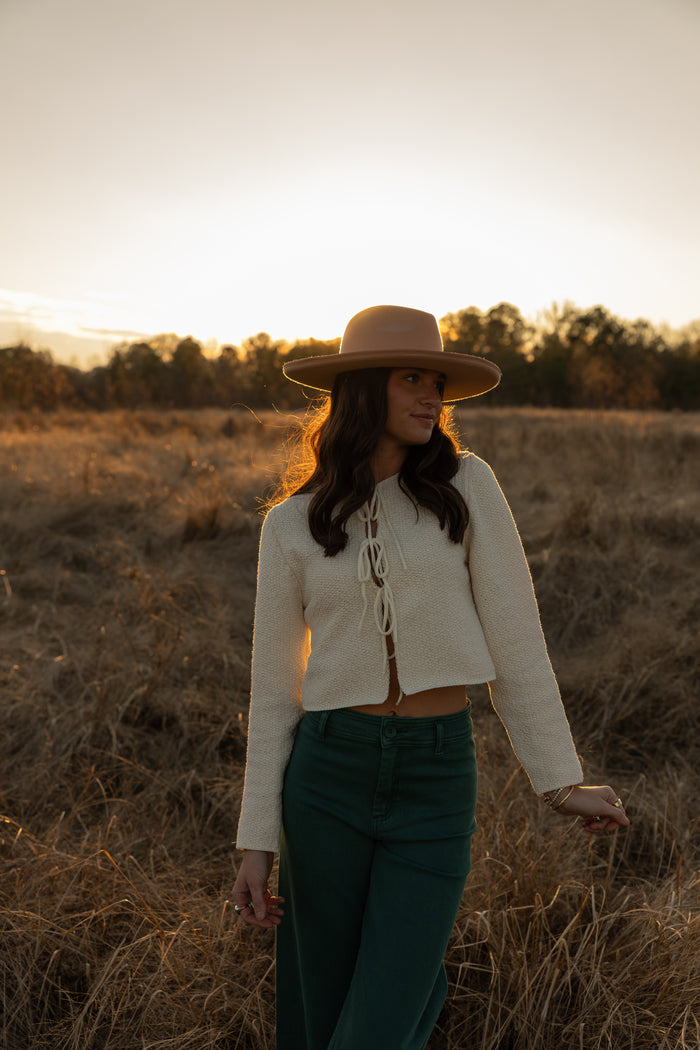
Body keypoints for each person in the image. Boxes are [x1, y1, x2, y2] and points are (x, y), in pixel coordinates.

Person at [232, 305, 629, 1050]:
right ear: (361, 390)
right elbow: (274, 690)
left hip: (436, 774)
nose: (432, 397)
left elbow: (517, 640)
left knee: (391, 1003)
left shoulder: (467, 485)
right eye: (412, 379)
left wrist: (558, 780)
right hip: (327, 776)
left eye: (437, 383)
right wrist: (257, 840)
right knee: (319, 998)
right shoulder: (289, 523)